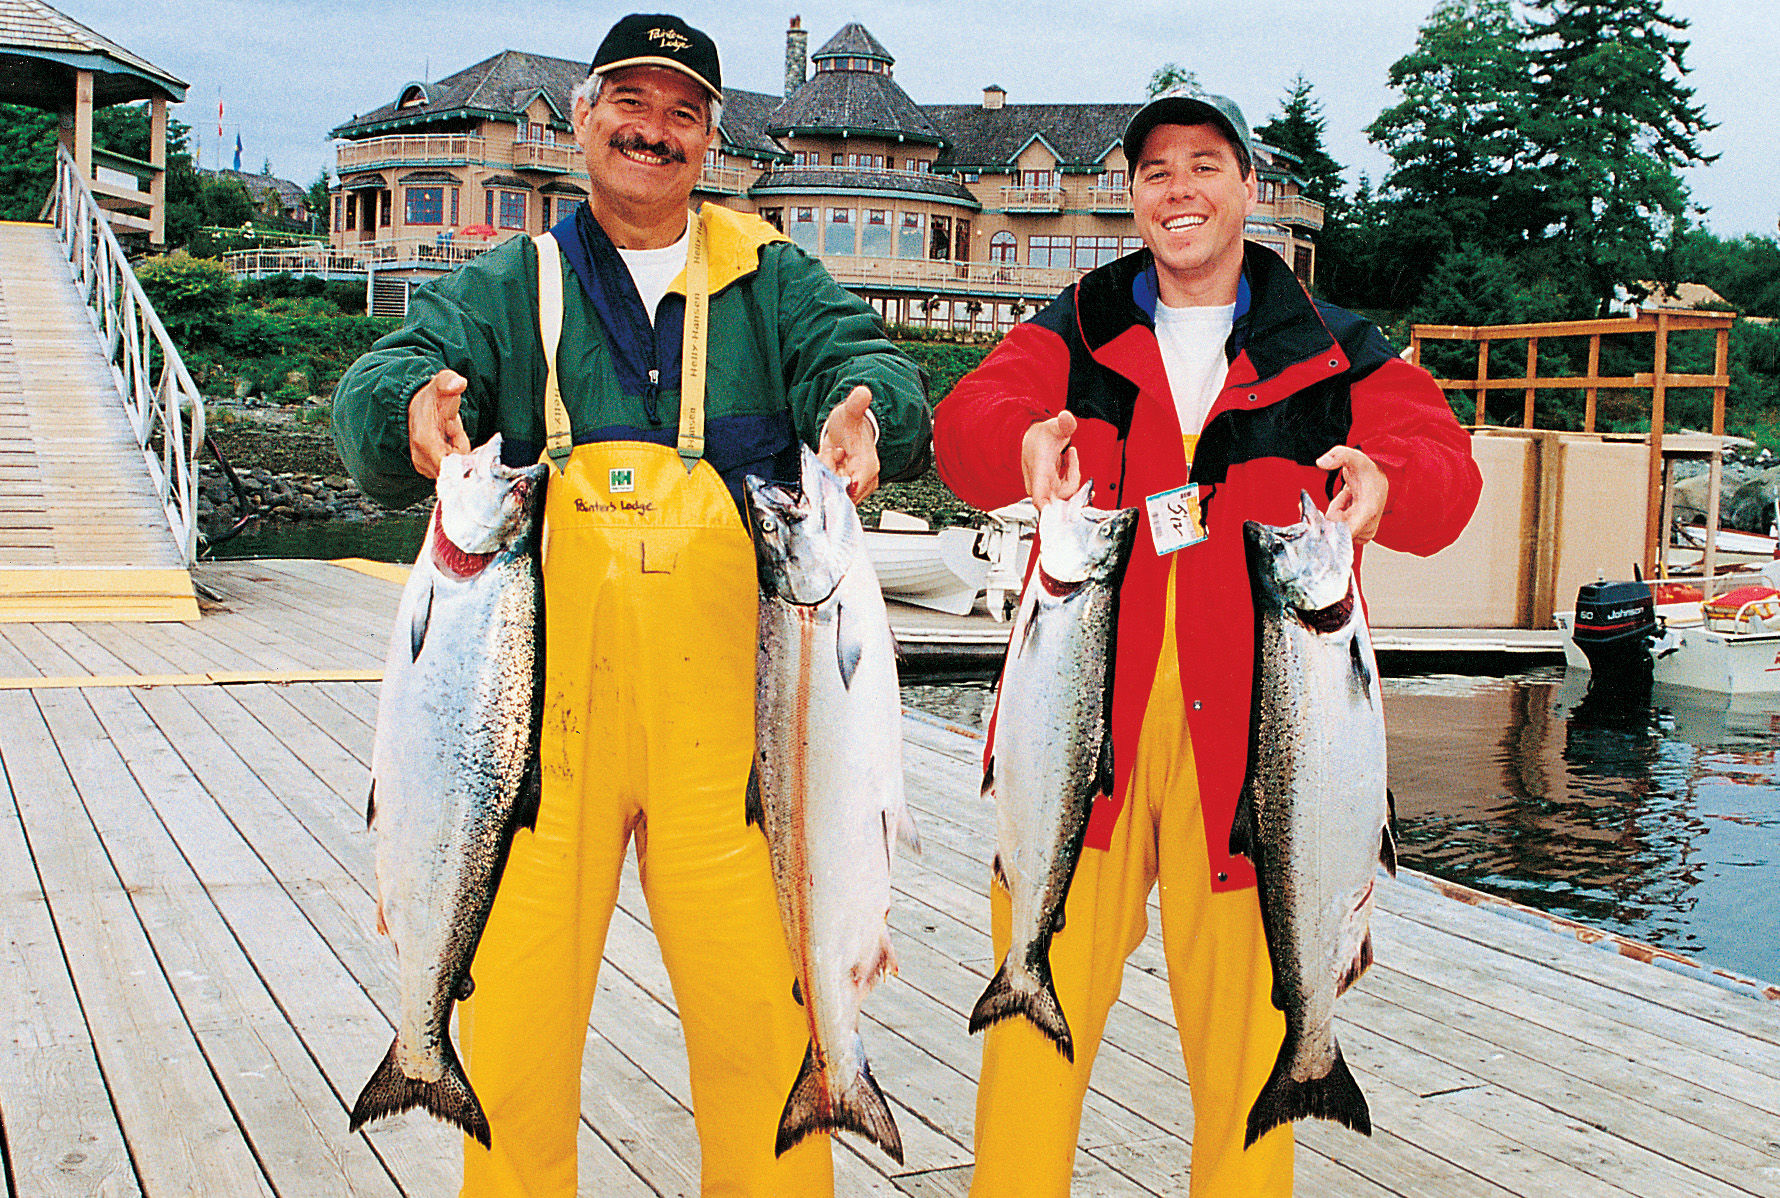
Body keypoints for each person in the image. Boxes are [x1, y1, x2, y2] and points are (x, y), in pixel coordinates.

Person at [333, 14, 931, 1198]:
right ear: (585, 117)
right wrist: (405, 405)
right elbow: (379, 378)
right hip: (531, 734)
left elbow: (873, 367)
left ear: (713, 139)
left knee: (769, 1032)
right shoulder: (514, 282)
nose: (652, 132)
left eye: (682, 113)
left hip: (742, 738)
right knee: (505, 1041)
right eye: (631, 105)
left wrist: (865, 405)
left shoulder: (776, 278)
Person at [933, 87, 1481, 1196]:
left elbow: (1445, 478)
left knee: (1245, 1069)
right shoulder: (1071, 328)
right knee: (1031, 1050)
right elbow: (965, 430)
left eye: (1204, 165)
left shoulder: (1336, 350)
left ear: (1248, 188)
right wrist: (1019, 443)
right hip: (1076, 743)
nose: (1178, 190)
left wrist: (1390, 476)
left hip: (1264, 761)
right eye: (1155, 171)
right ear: (1130, 197)